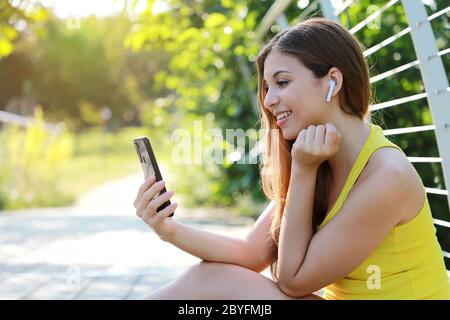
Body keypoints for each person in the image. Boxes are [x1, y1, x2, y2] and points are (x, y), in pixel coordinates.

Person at [133, 17, 450, 300]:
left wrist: (303, 171)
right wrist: (169, 231)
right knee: (207, 276)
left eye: (282, 83)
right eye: (267, 87)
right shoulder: (320, 158)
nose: (269, 101)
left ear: (332, 82)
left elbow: (293, 282)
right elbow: (253, 252)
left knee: (213, 281)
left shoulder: (386, 176)